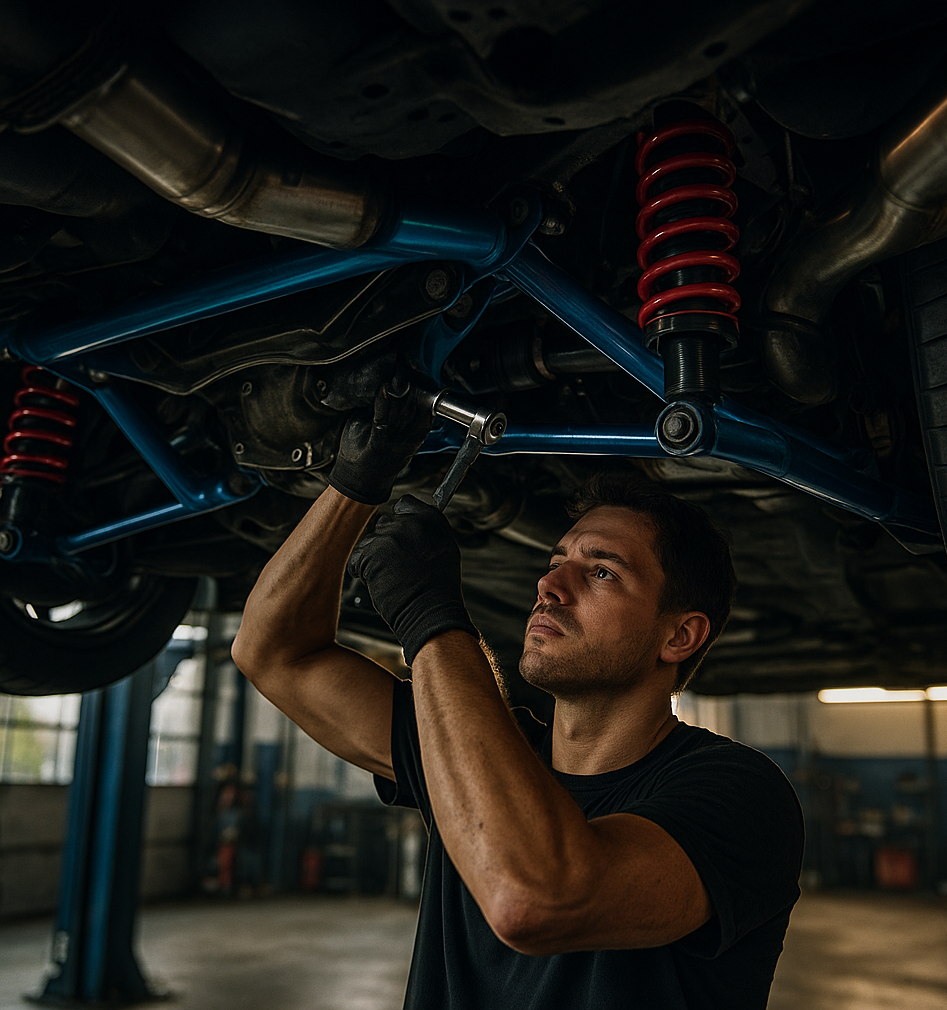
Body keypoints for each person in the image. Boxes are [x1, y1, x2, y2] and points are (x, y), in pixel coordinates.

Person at [231, 383, 804, 1010]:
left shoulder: (739, 794)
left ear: (679, 635)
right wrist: (355, 484)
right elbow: (273, 652)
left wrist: (431, 617)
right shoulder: (470, 754)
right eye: (557, 560)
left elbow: (535, 899)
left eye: (602, 571)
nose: (550, 584)